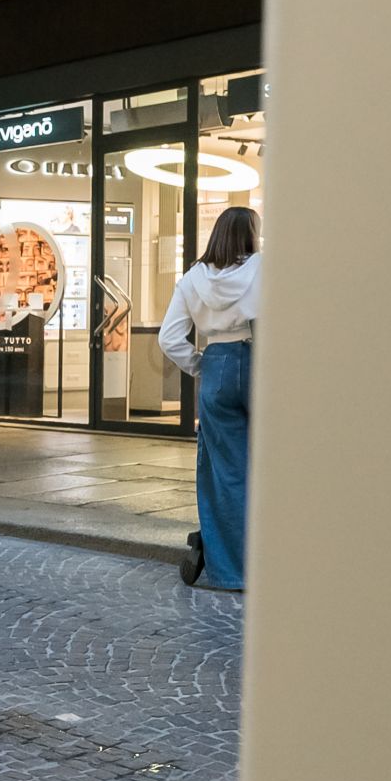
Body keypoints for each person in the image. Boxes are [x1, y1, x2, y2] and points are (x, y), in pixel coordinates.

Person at [159, 205, 261, 593]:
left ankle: (232, 570)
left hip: (217, 363)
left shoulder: (191, 279)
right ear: (250, 234)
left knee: (224, 472)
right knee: (269, 466)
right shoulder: (264, 269)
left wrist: (203, 366)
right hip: (259, 360)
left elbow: (169, 338)